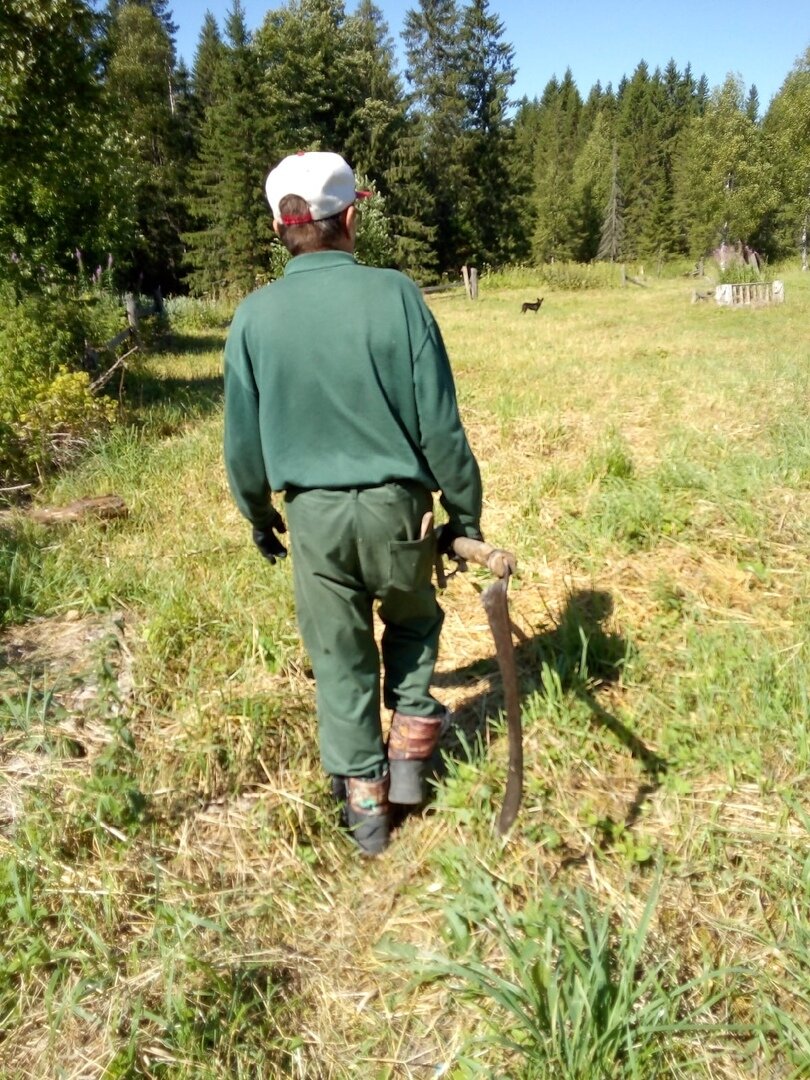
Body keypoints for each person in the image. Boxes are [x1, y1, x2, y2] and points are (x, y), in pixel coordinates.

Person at [223, 151, 483, 855]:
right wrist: (465, 513)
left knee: (339, 657)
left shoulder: (253, 317)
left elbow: (242, 449)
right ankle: (408, 767)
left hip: (311, 519)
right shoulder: (396, 295)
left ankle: (367, 815)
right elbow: (441, 426)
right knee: (413, 622)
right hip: (399, 512)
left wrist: (260, 517)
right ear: (352, 217)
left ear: (282, 228)